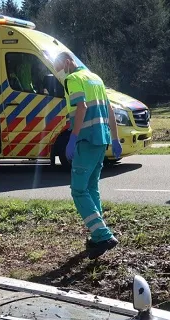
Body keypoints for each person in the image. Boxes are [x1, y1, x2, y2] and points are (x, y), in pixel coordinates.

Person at [54, 52, 122, 259]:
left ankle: (102, 235)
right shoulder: (95, 78)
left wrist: (72, 138)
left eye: (60, 67)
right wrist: (115, 138)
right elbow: (110, 109)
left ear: (67, 62)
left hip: (86, 139)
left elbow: (81, 107)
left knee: (78, 190)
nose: (61, 72)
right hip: (101, 139)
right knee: (92, 187)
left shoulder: (73, 79)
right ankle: (97, 232)